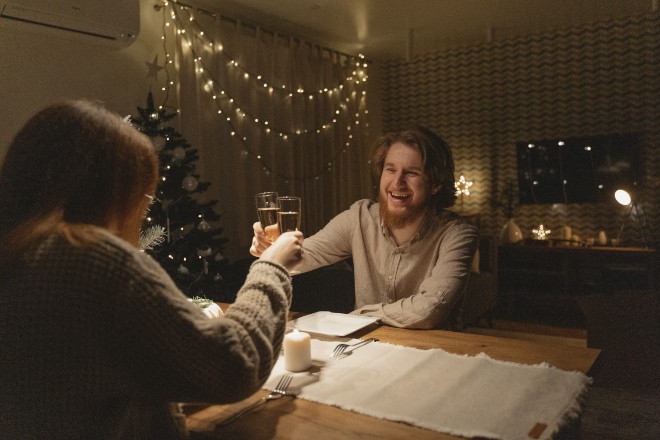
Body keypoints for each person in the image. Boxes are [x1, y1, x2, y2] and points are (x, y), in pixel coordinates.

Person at [0, 100, 304, 439]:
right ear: (105, 196)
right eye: (140, 207)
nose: (139, 223)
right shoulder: (86, 258)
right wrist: (271, 265)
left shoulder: (20, 255)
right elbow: (233, 364)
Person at [251, 126, 479, 330]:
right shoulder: (358, 218)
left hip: (435, 353)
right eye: (390, 169)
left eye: (412, 172)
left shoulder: (458, 235)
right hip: (369, 349)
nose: (397, 182)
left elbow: (429, 310)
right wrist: (271, 252)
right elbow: (303, 256)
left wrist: (361, 315)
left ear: (436, 184)